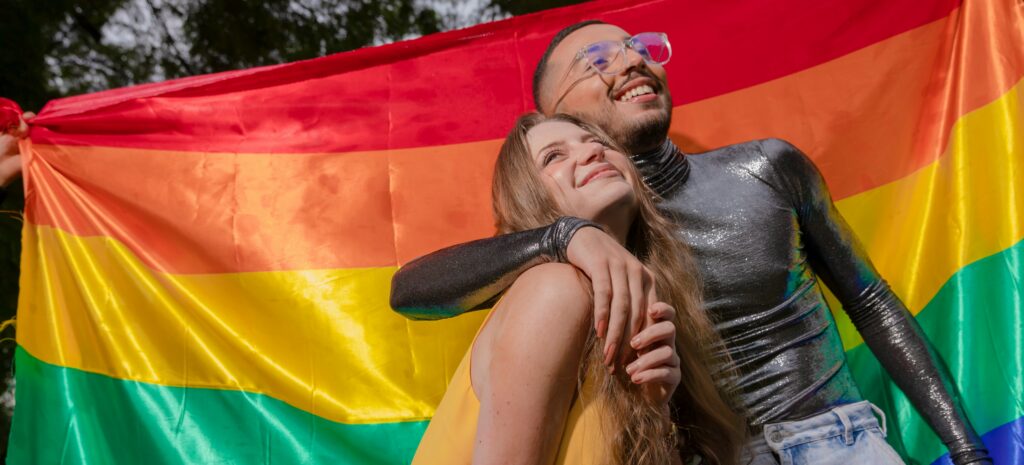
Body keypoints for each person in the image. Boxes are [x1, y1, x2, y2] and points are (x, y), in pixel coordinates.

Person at [391, 21, 992, 465]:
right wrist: (564, 236)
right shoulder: (582, 242)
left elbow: (873, 302)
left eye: (639, 48)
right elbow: (413, 290)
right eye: (596, 60)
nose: (629, 62)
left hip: (838, 445)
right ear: (556, 114)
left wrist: (967, 451)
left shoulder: (768, 166)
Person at [411, 112, 743, 465]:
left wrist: (655, 410)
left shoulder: (650, 309)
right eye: (554, 156)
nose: (593, 153)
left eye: (599, 142)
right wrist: (567, 234)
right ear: (525, 198)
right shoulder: (554, 289)